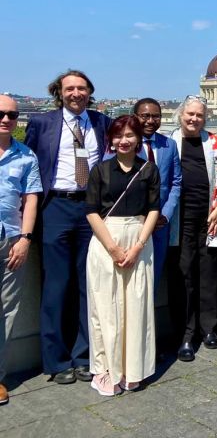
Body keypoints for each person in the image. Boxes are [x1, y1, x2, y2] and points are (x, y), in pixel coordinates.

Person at [24, 70, 111, 385]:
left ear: (89, 92)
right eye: (69, 88)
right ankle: (57, 361)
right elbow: (29, 168)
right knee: (56, 287)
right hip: (56, 207)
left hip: (91, 209)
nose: (76, 93)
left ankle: (85, 356)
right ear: (59, 93)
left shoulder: (102, 123)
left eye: (82, 88)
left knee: (89, 285)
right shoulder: (42, 123)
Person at [84, 115, 160, 395]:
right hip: (107, 239)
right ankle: (106, 370)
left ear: (138, 138)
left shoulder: (149, 170)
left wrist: (138, 245)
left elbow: (154, 208)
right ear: (111, 140)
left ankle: (132, 369)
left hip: (139, 238)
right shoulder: (100, 170)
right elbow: (91, 210)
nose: (124, 140)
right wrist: (114, 249)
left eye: (129, 135)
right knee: (105, 307)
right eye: (118, 136)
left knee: (136, 306)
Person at [168, 95, 217, 362]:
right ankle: (185, 333)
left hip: (210, 216)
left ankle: (209, 328)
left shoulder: (215, 142)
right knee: (184, 273)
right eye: (190, 114)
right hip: (179, 218)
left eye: (199, 116)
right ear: (181, 115)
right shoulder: (169, 142)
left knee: (208, 271)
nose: (194, 119)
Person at [0, 95, 42, 405]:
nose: (6, 119)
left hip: (10, 240)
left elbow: (30, 200)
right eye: (1, 113)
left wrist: (25, 239)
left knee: (6, 310)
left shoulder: (26, 155)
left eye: (12, 115)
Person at [131, 98, 181, 294]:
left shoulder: (169, 145)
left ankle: (148, 323)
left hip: (160, 223)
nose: (150, 121)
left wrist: (166, 214)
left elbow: (176, 182)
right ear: (135, 117)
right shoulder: (124, 142)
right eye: (145, 116)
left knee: (154, 277)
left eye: (155, 116)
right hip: (133, 221)